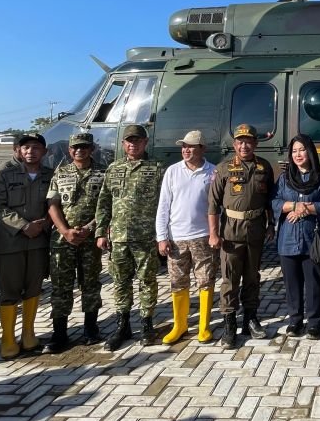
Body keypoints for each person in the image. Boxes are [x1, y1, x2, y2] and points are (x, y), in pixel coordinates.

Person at [95, 125, 163, 350]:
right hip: (119, 238)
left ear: (145, 143)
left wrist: (162, 235)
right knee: (121, 282)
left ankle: (146, 324)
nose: (133, 144)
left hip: (145, 237)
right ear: (123, 144)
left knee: (147, 281)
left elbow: (165, 205)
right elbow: (104, 202)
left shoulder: (157, 169)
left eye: (138, 140)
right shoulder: (113, 169)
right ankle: (122, 325)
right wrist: (100, 232)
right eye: (129, 141)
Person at [208, 123, 275, 349]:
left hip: (255, 229)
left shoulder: (264, 167)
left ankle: (250, 319)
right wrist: (213, 234)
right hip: (230, 232)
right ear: (234, 144)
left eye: (248, 141)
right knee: (230, 279)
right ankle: (229, 324)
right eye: (240, 141)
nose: (244, 145)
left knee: (253, 276)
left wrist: (271, 225)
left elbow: (269, 201)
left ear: (255, 143)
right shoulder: (224, 168)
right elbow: (212, 204)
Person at [0, 132, 54, 360]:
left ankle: (29, 334)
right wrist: (23, 226)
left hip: (39, 241)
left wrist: (46, 223)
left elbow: (56, 204)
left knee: (34, 287)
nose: (30, 151)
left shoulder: (50, 175)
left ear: (44, 152)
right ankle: (7, 338)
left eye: (36, 147)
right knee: (8, 290)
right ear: (17, 150)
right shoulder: (5, 175)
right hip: (11, 242)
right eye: (25, 147)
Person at [42, 133, 106, 353]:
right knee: (61, 286)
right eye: (76, 147)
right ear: (70, 150)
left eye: (85, 147)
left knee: (90, 283)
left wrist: (88, 229)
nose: (80, 150)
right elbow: (52, 204)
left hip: (90, 239)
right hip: (63, 239)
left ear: (92, 149)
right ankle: (59, 332)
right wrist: (65, 230)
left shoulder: (103, 173)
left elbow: (106, 205)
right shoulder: (59, 173)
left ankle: (91, 328)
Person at [271, 135, 320, 340]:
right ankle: (295, 321)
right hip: (288, 238)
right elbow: (274, 202)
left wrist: (306, 208)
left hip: (313, 238)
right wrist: (292, 206)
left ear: (310, 152)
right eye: (294, 151)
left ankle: (315, 322)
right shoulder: (284, 178)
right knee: (292, 283)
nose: (298, 155)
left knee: (315, 282)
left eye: (302, 150)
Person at [155, 130, 217, 344]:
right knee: (178, 281)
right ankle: (179, 325)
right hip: (176, 237)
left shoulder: (213, 172)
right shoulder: (172, 171)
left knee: (205, 280)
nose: (186, 150)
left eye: (191, 146)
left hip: (202, 236)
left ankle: (204, 327)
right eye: (184, 146)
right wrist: (161, 236)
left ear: (202, 149)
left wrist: (215, 233)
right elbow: (163, 205)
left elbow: (216, 207)